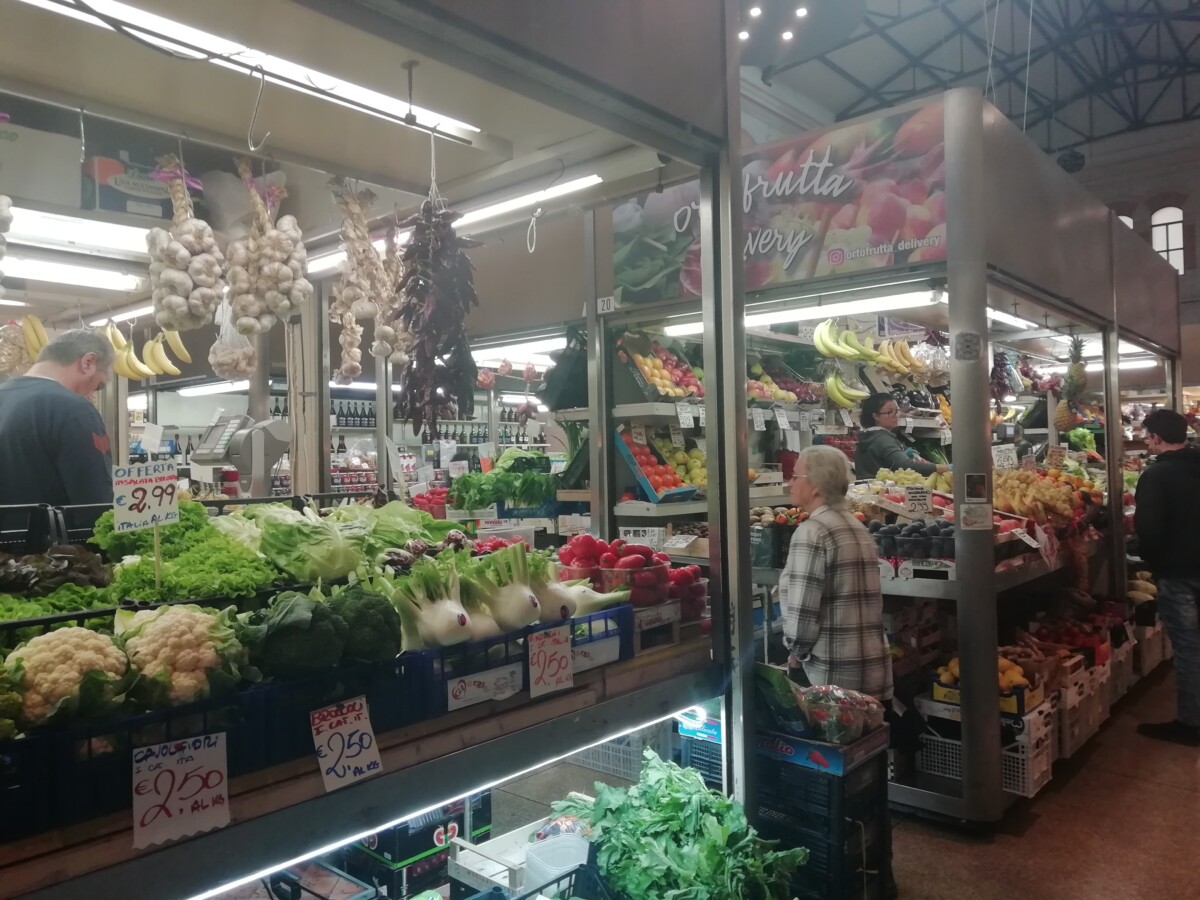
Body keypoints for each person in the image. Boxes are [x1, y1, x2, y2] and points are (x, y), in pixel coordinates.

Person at [778, 444, 897, 897]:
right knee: (865, 789)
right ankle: (874, 873)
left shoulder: (813, 532)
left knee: (826, 790)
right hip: (871, 672)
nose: (790, 482)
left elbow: (802, 612)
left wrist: (793, 655)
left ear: (814, 485)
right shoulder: (855, 526)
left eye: (795, 475)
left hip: (832, 680)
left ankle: (829, 877)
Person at [1133, 408, 1200, 746]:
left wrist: (1148, 558)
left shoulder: (1156, 476)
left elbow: (1149, 529)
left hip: (1177, 572)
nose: (1147, 442)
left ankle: (1191, 723)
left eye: (1148, 437)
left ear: (1157, 438)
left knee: (1187, 648)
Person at [0, 329, 115, 506]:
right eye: (98, 385)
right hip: (47, 524)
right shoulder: (74, 409)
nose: (91, 394)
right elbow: (94, 502)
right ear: (88, 362)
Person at [854, 393, 949, 480]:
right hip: (881, 489)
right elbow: (906, 466)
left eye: (897, 410)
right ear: (876, 416)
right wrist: (945, 467)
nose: (897, 415)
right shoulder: (883, 439)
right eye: (890, 412)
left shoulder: (868, 436)